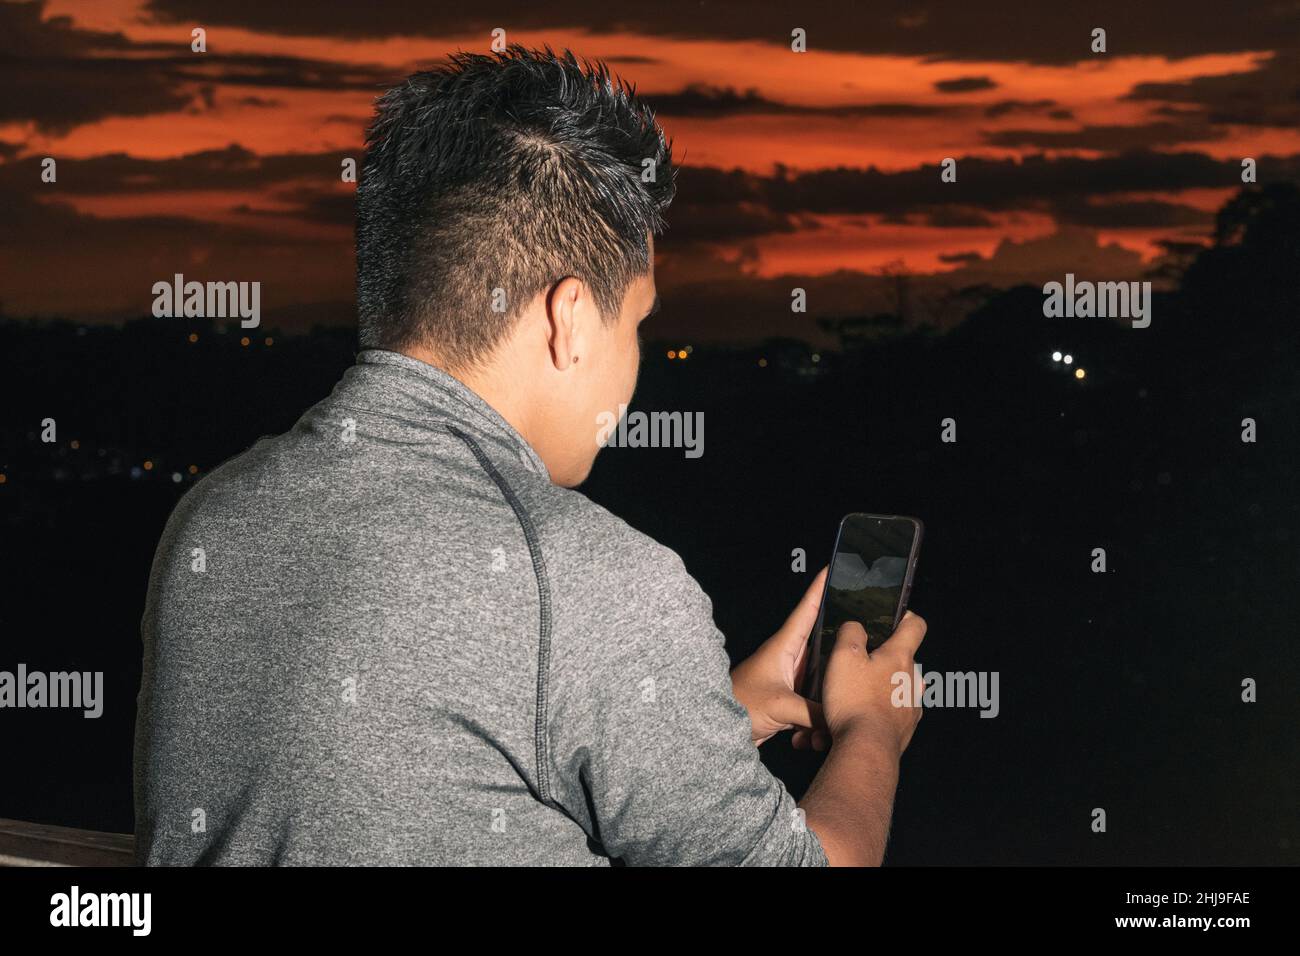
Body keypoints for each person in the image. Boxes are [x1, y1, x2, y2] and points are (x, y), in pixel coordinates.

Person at [134, 45, 925, 866]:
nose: (636, 360)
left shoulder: (212, 516)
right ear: (570, 321)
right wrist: (872, 728)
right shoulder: (595, 583)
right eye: (640, 323)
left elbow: (404, 777)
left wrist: (701, 718)